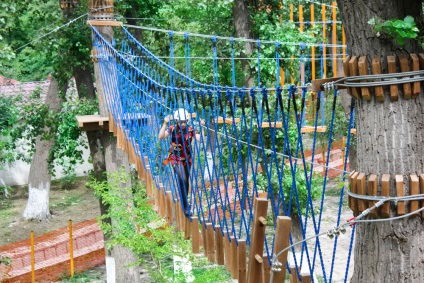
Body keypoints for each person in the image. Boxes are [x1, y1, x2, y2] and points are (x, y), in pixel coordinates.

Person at [158, 108, 204, 217]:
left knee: (186, 182)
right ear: (177, 121)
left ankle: (184, 203)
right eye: (181, 122)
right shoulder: (172, 129)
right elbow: (161, 137)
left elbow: (200, 139)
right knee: (182, 178)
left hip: (187, 159)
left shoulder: (191, 129)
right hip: (175, 158)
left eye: (185, 122)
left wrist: (202, 127)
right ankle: (186, 207)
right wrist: (165, 123)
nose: (183, 124)